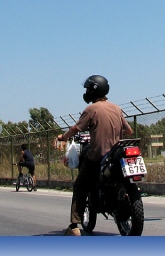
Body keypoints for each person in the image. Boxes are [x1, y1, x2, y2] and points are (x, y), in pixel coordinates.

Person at [57, 75, 133, 236]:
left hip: (99, 155)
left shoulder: (91, 109)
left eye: (88, 89)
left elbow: (76, 128)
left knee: (80, 185)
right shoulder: (116, 108)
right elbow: (129, 131)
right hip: (117, 154)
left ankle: (74, 225)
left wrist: (63, 137)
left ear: (95, 89)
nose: (87, 92)